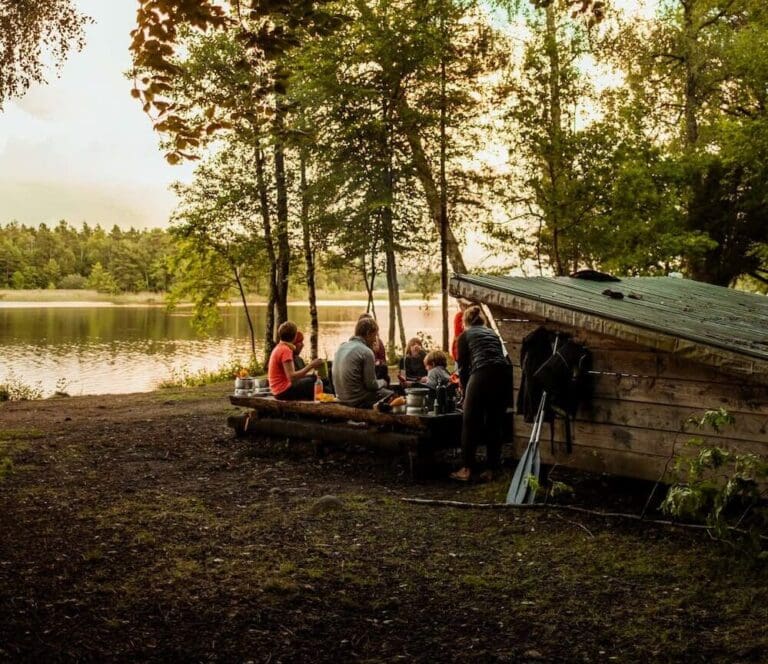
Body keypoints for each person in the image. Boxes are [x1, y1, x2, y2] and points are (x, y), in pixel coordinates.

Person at [450, 305, 514, 482]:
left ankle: (467, 468)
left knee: (470, 421)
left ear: (465, 322)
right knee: (495, 421)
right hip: (502, 375)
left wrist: (463, 392)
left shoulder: (464, 336)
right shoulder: (491, 333)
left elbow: (463, 369)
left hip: (482, 374)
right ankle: (492, 469)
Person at [333, 315, 393, 408]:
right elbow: (371, 385)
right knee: (392, 396)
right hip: (357, 400)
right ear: (368, 333)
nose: (375, 339)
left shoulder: (342, 347)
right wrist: (383, 382)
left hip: (340, 398)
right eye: (375, 335)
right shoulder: (366, 352)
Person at [268, 321, 323, 400]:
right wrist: (311, 365)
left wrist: (310, 374)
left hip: (277, 391)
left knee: (314, 378)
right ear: (294, 336)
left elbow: (289, 376)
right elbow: (292, 377)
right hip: (283, 392)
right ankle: (317, 405)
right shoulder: (286, 350)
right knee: (315, 381)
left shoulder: (279, 347)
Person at [359, 312, 389, 381]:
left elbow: (383, 360)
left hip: (376, 370)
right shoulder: (357, 343)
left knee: (383, 370)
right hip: (363, 373)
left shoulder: (378, 342)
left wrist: (378, 361)